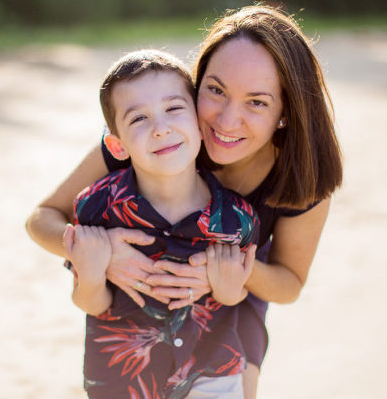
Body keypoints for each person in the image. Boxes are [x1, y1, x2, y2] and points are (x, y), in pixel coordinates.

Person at [26, 4, 344, 398]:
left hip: (236, 290)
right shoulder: (161, 135)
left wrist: (226, 268)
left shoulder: (301, 176)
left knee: (238, 386)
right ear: (196, 85)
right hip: (136, 314)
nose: (227, 120)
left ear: (285, 113)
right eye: (216, 90)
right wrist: (102, 250)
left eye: (257, 102)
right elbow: (42, 218)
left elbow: (289, 283)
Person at [64, 49, 259, 398]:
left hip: (210, 372)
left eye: (173, 109)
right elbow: (91, 303)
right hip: (123, 380)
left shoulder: (237, 218)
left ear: (199, 124)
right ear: (117, 145)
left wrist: (225, 284)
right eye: (139, 119)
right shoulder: (96, 207)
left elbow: (233, 297)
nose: (160, 128)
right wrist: (92, 272)